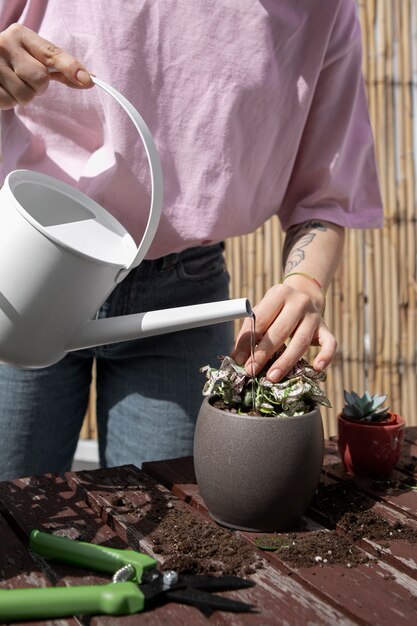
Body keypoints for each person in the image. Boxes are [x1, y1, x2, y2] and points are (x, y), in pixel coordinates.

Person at [0, 0, 383, 480]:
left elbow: (323, 197)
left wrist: (306, 282)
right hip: (24, 267)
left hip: (180, 296)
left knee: (166, 523)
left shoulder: (325, 12)